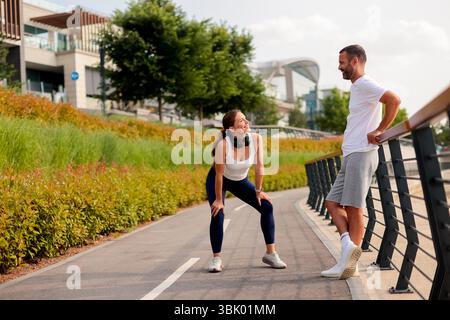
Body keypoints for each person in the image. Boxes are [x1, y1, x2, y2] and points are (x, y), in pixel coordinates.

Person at [321, 45, 401, 279]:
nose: (339, 67)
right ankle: (348, 249)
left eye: (342, 62)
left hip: (361, 152)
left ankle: (348, 264)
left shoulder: (365, 83)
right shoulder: (358, 87)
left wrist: (380, 129)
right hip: (352, 154)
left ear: (355, 61)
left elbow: (394, 100)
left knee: (354, 208)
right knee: (332, 203)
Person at [206, 109, 287, 272]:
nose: (246, 122)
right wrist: (219, 200)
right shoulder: (223, 145)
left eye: (245, 119)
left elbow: (259, 167)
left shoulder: (256, 139)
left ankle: (270, 254)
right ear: (231, 129)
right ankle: (216, 259)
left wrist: (258, 191)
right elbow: (219, 175)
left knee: (266, 206)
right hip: (219, 180)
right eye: (241, 121)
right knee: (218, 213)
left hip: (240, 181)